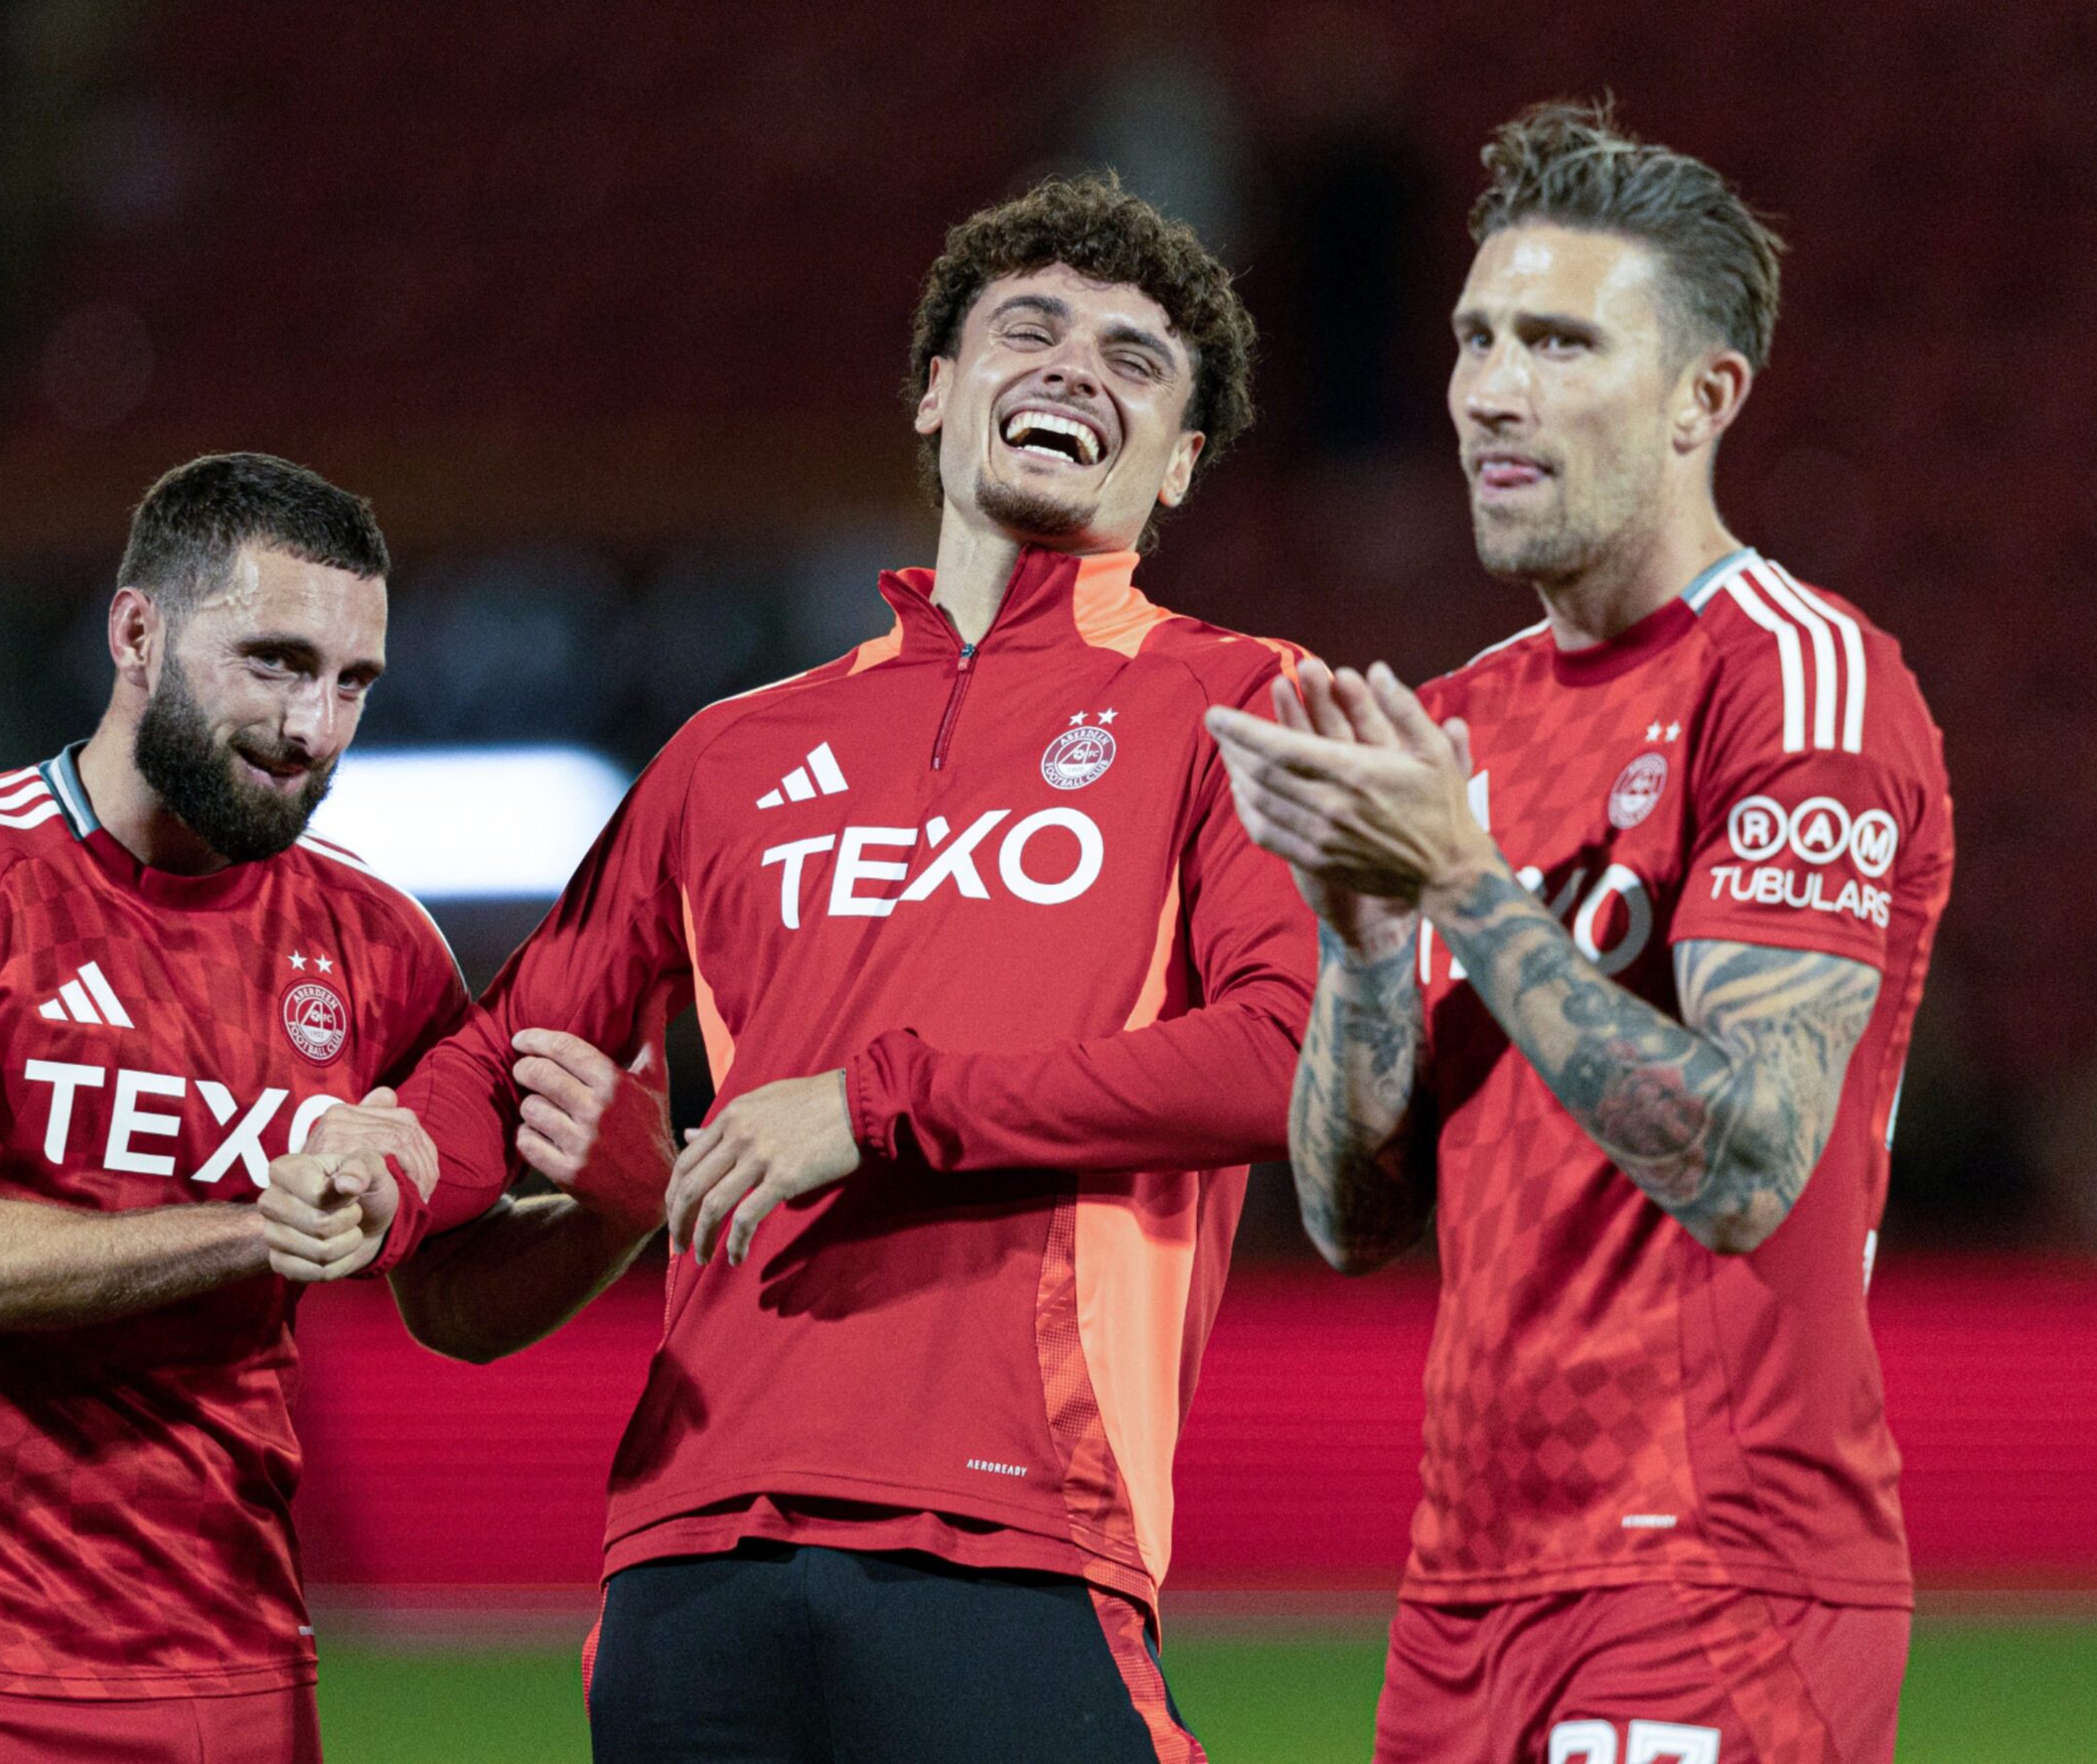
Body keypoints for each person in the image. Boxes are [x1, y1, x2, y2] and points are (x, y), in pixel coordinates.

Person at [265, 175, 1314, 1763]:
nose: (1070, 366)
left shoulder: (1242, 705)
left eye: (1132, 358)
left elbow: (1283, 1058)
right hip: (692, 1549)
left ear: (1176, 465)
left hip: (1021, 1533)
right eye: (1024, 329)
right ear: (935, 391)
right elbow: (516, 1049)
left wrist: (878, 1107)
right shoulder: (731, 750)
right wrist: (391, 1156)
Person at [1207, 102, 1952, 1763]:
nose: (1489, 389)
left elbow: (1753, 1157)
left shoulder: (1799, 683)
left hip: (1719, 1575)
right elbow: (1352, 1216)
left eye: (1556, 341)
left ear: (1706, 398)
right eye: (1476, 338)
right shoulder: (1461, 723)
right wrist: (1352, 937)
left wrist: (1469, 889)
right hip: (1466, 1594)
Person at [0, 452, 667, 1762]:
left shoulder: (379, 940)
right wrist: (259, 1228)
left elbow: (446, 1301)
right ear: (136, 632)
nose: (312, 727)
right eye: (272, 661)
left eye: (352, 682)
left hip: (252, 1671)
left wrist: (618, 1209)